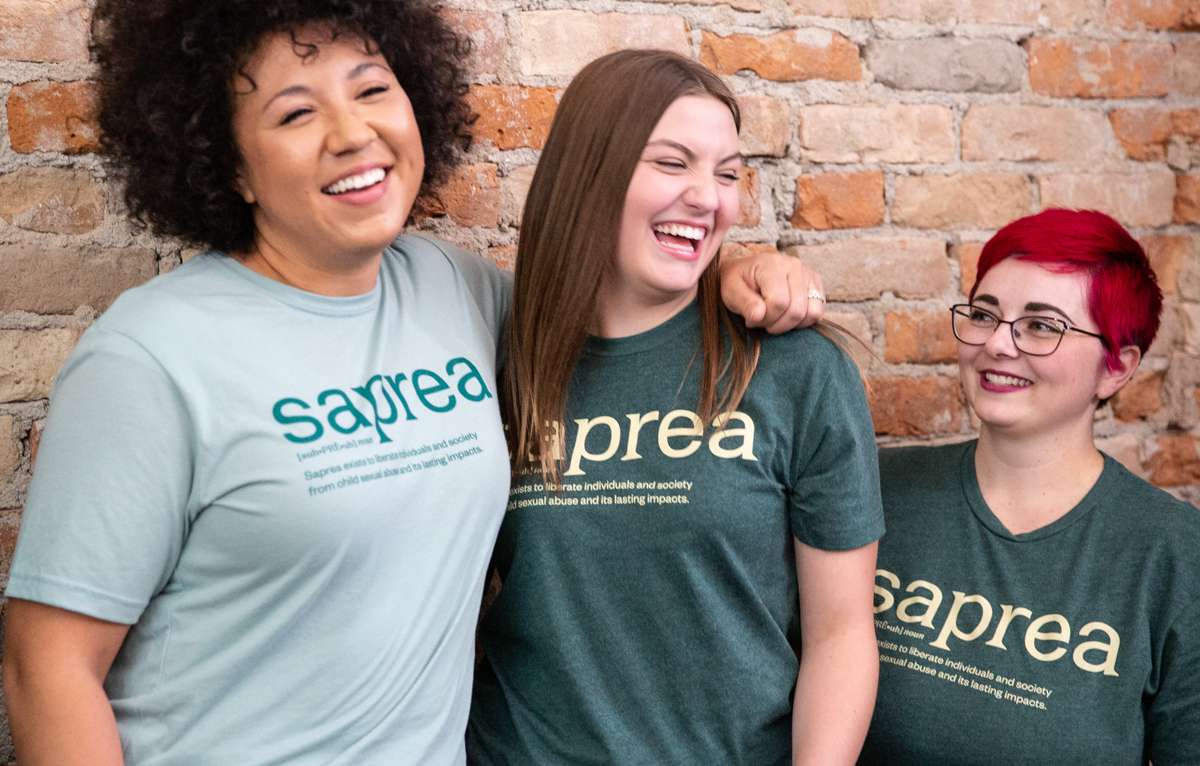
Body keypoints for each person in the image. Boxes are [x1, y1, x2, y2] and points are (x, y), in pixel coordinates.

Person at [0, 4, 828, 766]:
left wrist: (741, 268)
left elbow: (621, 308)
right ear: (230, 166)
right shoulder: (151, 357)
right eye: (295, 112)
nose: (352, 132)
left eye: (372, 89)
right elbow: (48, 671)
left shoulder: (460, 293)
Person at [468, 50, 884, 765]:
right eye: (672, 163)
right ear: (590, 173)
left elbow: (842, 635)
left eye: (726, 174)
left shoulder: (794, 370)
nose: (709, 197)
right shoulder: (503, 360)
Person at [859, 209, 1200, 765]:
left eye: (1041, 326)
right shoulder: (876, 489)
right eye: (984, 315)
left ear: (1116, 367)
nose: (997, 344)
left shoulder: (1176, 554)